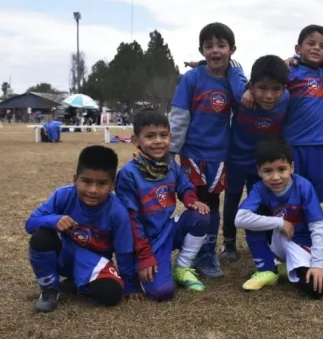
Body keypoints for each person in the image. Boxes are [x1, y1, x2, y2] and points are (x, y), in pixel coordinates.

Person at [169, 22, 247, 278]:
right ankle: (192, 253)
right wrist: (171, 151)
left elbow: (242, 108)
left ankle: (207, 254)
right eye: (209, 46)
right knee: (197, 202)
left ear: (232, 49)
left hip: (220, 155)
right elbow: (179, 116)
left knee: (213, 204)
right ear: (201, 50)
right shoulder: (192, 78)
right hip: (193, 153)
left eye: (221, 45)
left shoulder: (234, 80)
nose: (215, 51)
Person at [25, 145, 135, 312]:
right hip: (65, 256)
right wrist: (55, 220)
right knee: (41, 237)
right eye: (86, 181)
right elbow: (30, 223)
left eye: (102, 183)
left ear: (112, 185)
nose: (93, 190)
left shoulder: (117, 212)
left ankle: (74, 284)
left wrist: (130, 284)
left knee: (110, 295)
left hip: (94, 262)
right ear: (75, 179)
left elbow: (124, 251)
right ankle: (49, 290)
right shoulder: (63, 195)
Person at [116, 109, 211, 301]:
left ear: (170, 137)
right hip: (144, 241)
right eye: (150, 136)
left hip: (167, 230)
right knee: (162, 293)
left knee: (201, 215)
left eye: (163, 135)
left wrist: (192, 201)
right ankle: (141, 271)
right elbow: (130, 221)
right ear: (136, 140)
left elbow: (185, 187)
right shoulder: (128, 174)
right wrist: (144, 256)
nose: (158, 141)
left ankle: (182, 267)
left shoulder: (171, 165)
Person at [234, 135, 323, 298]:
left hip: (304, 244)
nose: (275, 177)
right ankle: (267, 269)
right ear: (259, 171)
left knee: (315, 289)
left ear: (291, 167)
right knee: (254, 217)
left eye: (281, 169)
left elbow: (318, 226)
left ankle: (287, 267)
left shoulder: (303, 186)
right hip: (279, 240)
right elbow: (240, 219)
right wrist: (279, 222)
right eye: (268, 171)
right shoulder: (259, 188)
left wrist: (318, 263)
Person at [221, 55, 289, 262]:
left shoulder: (287, 99)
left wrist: (293, 58)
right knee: (232, 198)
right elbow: (232, 64)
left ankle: (263, 241)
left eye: (276, 89)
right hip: (235, 159)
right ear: (251, 85)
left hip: (262, 163)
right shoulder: (241, 91)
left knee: (259, 201)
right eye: (262, 88)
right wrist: (247, 91)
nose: (269, 95)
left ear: (285, 89)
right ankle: (229, 242)